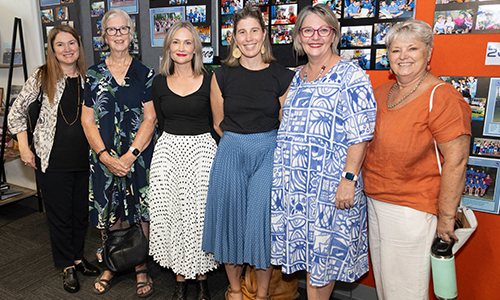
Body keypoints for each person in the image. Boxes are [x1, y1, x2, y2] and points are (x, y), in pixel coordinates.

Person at [271, 5, 376, 300]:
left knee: (324, 261)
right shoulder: (294, 77)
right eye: (307, 30)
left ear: (333, 34)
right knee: (311, 259)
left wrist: (348, 179)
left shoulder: (351, 76)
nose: (315, 37)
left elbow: (361, 135)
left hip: (330, 186)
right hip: (296, 187)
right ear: (298, 36)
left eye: (322, 30)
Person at [362, 19, 471, 300]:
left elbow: (456, 162)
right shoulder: (382, 93)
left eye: (412, 48)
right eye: (396, 50)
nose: (403, 56)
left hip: (413, 210)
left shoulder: (442, 97)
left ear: (429, 52)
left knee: (406, 291)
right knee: (387, 286)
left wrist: (447, 218)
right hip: (375, 201)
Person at [201, 5, 294, 300]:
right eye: (242, 32)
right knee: (230, 224)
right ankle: (234, 291)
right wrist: (239, 143)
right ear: (234, 37)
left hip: (269, 151)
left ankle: (263, 294)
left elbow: (286, 121)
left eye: (255, 30)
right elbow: (218, 123)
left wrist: (259, 143)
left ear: (264, 34)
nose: (249, 37)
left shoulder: (282, 75)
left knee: (260, 226)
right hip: (231, 150)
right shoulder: (222, 75)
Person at [8, 25, 100, 294]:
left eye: (72, 43)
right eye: (60, 44)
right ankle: (66, 266)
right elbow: (16, 113)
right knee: (60, 216)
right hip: (52, 161)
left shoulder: (88, 78)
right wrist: (24, 148)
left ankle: (79, 258)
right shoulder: (42, 76)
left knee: (80, 215)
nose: (67, 49)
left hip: (85, 160)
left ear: (79, 47)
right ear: (52, 48)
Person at [81, 8, 156, 297]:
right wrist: (104, 156)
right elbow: (87, 120)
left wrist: (129, 156)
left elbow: (150, 118)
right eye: (112, 30)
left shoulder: (144, 73)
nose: (118, 35)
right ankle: (112, 263)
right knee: (109, 210)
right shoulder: (93, 74)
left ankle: (140, 266)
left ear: (132, 33)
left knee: (140, 212)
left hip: (137, 158)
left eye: (123, 29)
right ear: (104, 36)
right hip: (103, 158)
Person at [148, 21, 217, 300]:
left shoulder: (211, 79)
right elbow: (160, 123)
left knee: (200, 218)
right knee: (175, 216)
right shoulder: (159, 82)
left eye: (188, 42)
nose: (181, 48)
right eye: (175, 42)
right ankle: (179, 280)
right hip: (168, 155)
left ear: (196, 49)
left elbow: (216, 122)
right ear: (168, 48)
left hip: (203, 154)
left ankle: (201, 280)